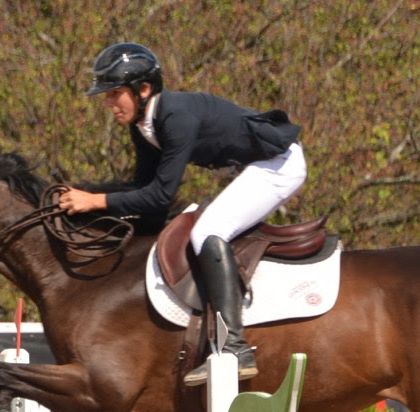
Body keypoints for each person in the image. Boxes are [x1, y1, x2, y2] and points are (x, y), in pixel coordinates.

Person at [58, 43, 306, 386]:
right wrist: (93, 204)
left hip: (278, 166)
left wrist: (96, 201)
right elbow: (144, 191)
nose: (108, 103)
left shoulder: (176, 118)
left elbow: (161, 195)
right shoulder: (144, 125)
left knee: (208, 232)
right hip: (253, 167)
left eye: (115, 93)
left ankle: (235, 348)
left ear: (143, 89)